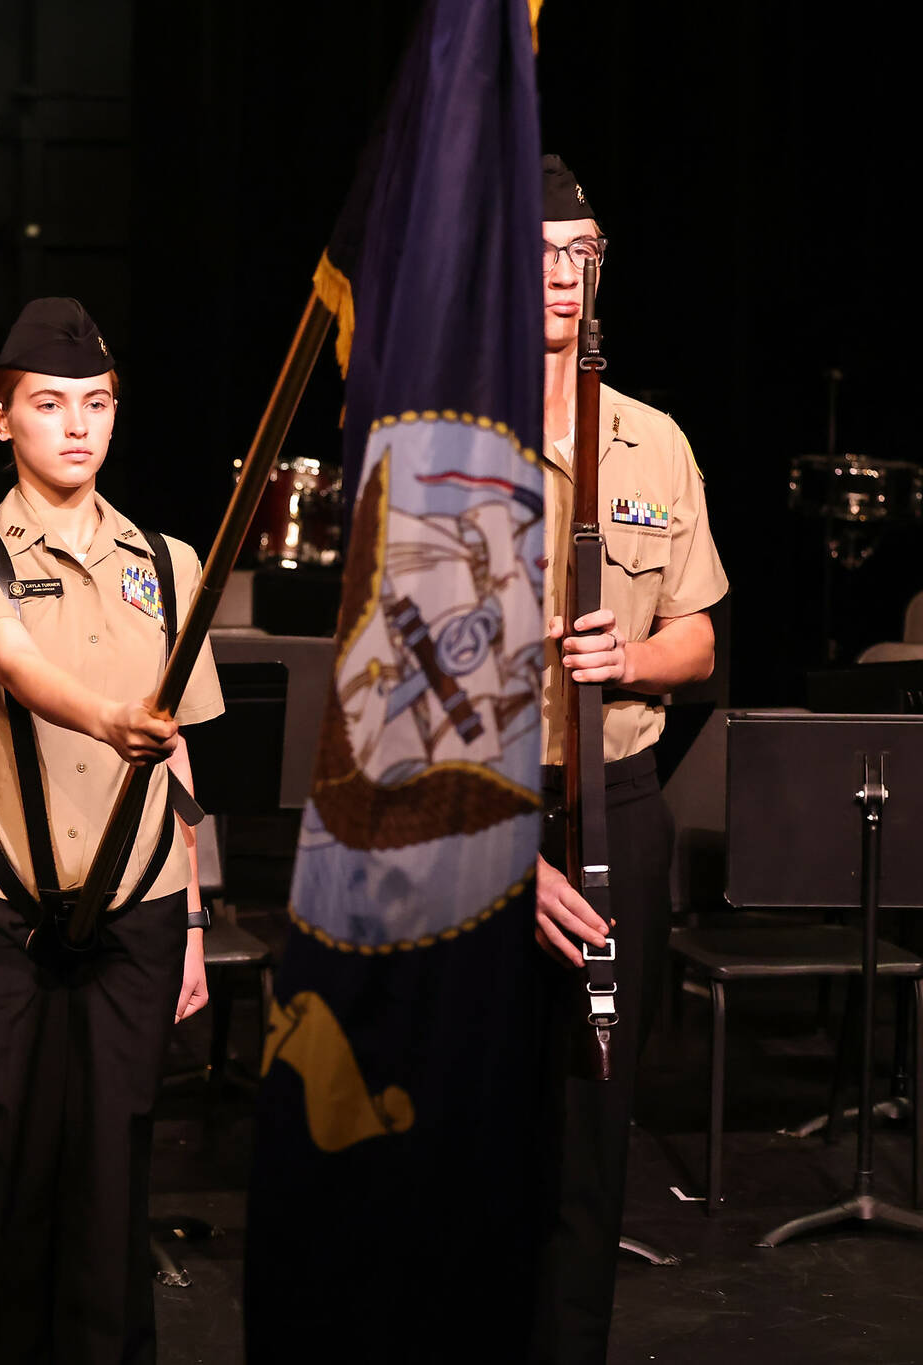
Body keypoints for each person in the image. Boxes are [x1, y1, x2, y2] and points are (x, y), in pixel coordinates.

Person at [0, 296, 221, 1364]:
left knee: (112, 1179)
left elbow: (181, 760)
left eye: (96, 403)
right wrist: (107, 717)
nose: (77, 425)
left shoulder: (170, 562)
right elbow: (13, 663)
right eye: (48, 404)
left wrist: (193, 918)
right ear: (3, 420)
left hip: (135, 906)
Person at [531, 157, 730, 1364]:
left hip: (616, 812)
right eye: (540, 254)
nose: (563, 276)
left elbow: (698, 638)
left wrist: (631, 658)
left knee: (592, 1108)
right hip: (482, 816)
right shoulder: (449, 445)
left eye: (582, 253)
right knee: (468, 1108)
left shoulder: (651, 442)